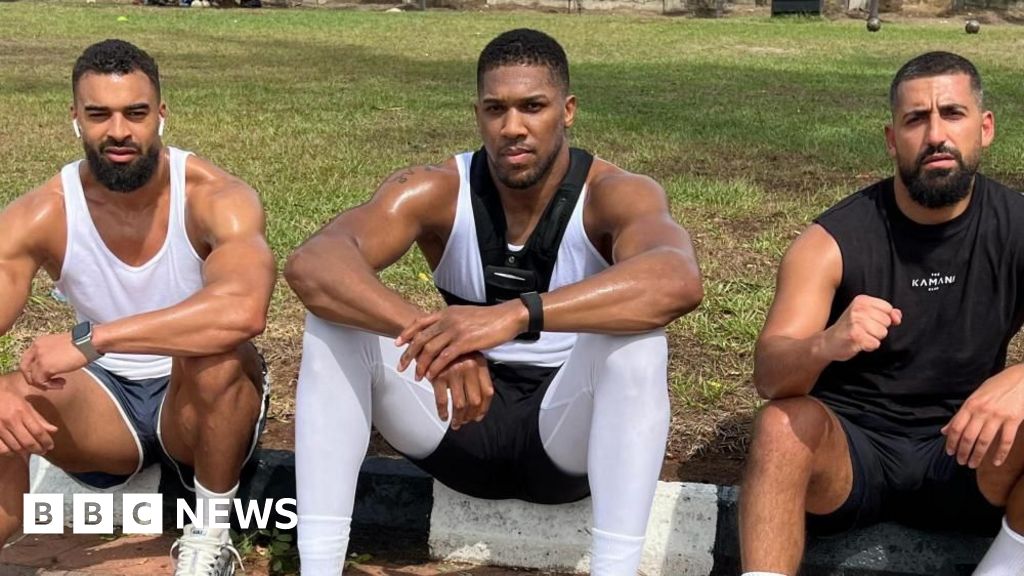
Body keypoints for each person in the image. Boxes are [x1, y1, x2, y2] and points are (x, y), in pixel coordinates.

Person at [286, 28, 703, 576]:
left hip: (566, 436)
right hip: (458, 426)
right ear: (478, 114)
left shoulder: (615, 193)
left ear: (568, 111)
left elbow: (676, 280)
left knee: (637, 345)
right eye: (495, 109)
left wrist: (513, 315)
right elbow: (312, 264)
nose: (512, 127)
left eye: (533, 107)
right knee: (333, 324)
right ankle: (318, 566)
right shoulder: (436, 187)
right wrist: (438, 338)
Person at [739, 51, 1024, 576]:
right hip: (853, 457)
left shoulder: (1016, 226)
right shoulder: (831, 241)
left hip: (969, 452)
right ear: (893, 139)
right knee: (780, 426)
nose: (936, 135)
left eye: (953, 114)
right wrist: (826, 343)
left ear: (985, 128)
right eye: (916, 119)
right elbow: (770, 376)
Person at [0, 40, 275, 576]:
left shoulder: (215, 196)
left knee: (215, 353)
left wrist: (94, 340)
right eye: (99, 114)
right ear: (75, 119)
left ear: (161, 114)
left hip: (197, 405)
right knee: (8, 398)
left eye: (135, 113)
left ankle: (211, 538)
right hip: (105, 408)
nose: (119, 131)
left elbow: (243, 311)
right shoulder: (41, 214)